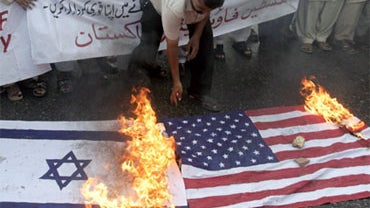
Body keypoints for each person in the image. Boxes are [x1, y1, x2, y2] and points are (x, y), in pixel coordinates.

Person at [128, 0, 225, 112]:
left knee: (205, 40)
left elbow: (205, 13)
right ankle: (138, 90)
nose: (200, 13)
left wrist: (196, 36)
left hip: (191, 7)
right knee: (148, 44)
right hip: (158, 6)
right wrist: (176, 82)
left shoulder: (206, 6)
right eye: (199, 9)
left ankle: (200, 91)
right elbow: (172, 46)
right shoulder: (174, 7)